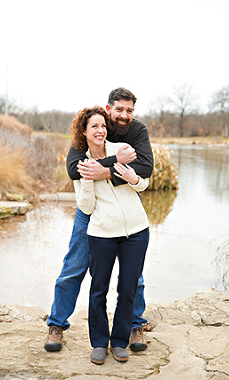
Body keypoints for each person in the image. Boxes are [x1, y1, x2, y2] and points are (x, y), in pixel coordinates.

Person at [45, 88, 154, 352]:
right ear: (108, 109)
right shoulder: (88, 127)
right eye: (119, 110)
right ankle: (56, 324)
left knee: (133, 276)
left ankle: (136, 324)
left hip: (125, 212)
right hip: (90, 214)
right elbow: (75, 169)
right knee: (74, 268)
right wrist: (115, 162)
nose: (124, 116)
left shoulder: (136, 131)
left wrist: (104, 170)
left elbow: (145, 167)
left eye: (129, 110)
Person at [69, 105, 150, 364]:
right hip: (102, 234)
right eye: (94, 126)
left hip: (137, 231)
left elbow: (144, 181)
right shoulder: (81, 164)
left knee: (128, 289)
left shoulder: (121, 150)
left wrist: (133, 179)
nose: (101, 130)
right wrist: (87, 180)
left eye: (103, 126)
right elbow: (87, 207)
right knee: (98, 290)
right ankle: (100, 343)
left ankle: (119, 342)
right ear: (84, 131)